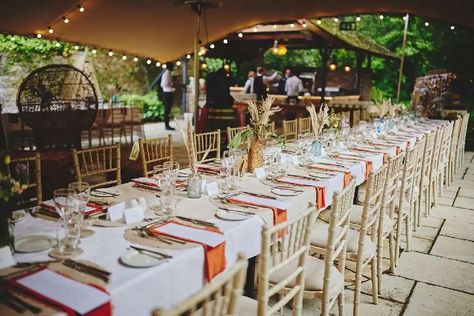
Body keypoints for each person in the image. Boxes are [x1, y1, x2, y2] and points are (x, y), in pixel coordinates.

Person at [160, 62, 176, 130]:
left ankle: (167, 125)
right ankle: (167, 125)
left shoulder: (168, 73)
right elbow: (163, 84)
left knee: (168, 110)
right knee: (167, 110)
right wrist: (171, 86)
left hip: (169, 92)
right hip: (167, 92)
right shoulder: (166, 74)